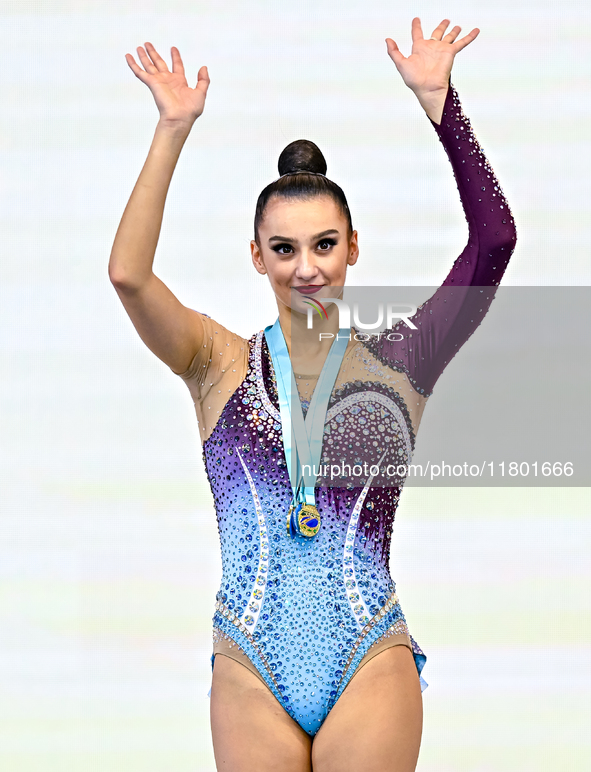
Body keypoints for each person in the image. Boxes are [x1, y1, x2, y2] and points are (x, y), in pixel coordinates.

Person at [109, 17, 516, 772]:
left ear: (352, 247)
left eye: (324, 244)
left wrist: (442, 104)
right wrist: (170, 130)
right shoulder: (214, 361)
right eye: (284, 248)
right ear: (256, 253)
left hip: (366, 651)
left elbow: (493, 241)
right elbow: (129, 276)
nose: (306, 268)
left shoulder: (404, 361)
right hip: (248, 657)